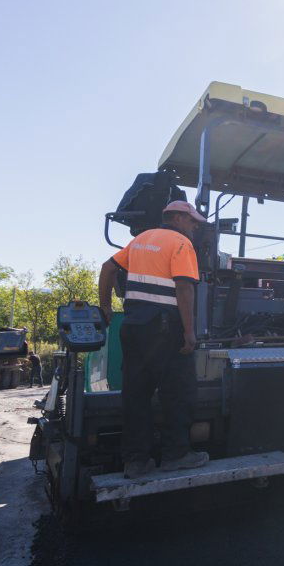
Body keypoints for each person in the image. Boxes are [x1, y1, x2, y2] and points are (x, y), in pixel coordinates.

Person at [98, 200, 210, 479]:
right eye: (193, 221)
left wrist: (106, 307)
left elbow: (107, 268)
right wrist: (189, 332)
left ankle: (136, 462)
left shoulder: (141, 240)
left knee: (136, 395)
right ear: (178, 218)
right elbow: (184, 288)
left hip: (133, 326)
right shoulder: (181, 244)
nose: (195, 227)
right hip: (165, 328)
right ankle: (177, 455)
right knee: (178, 392)